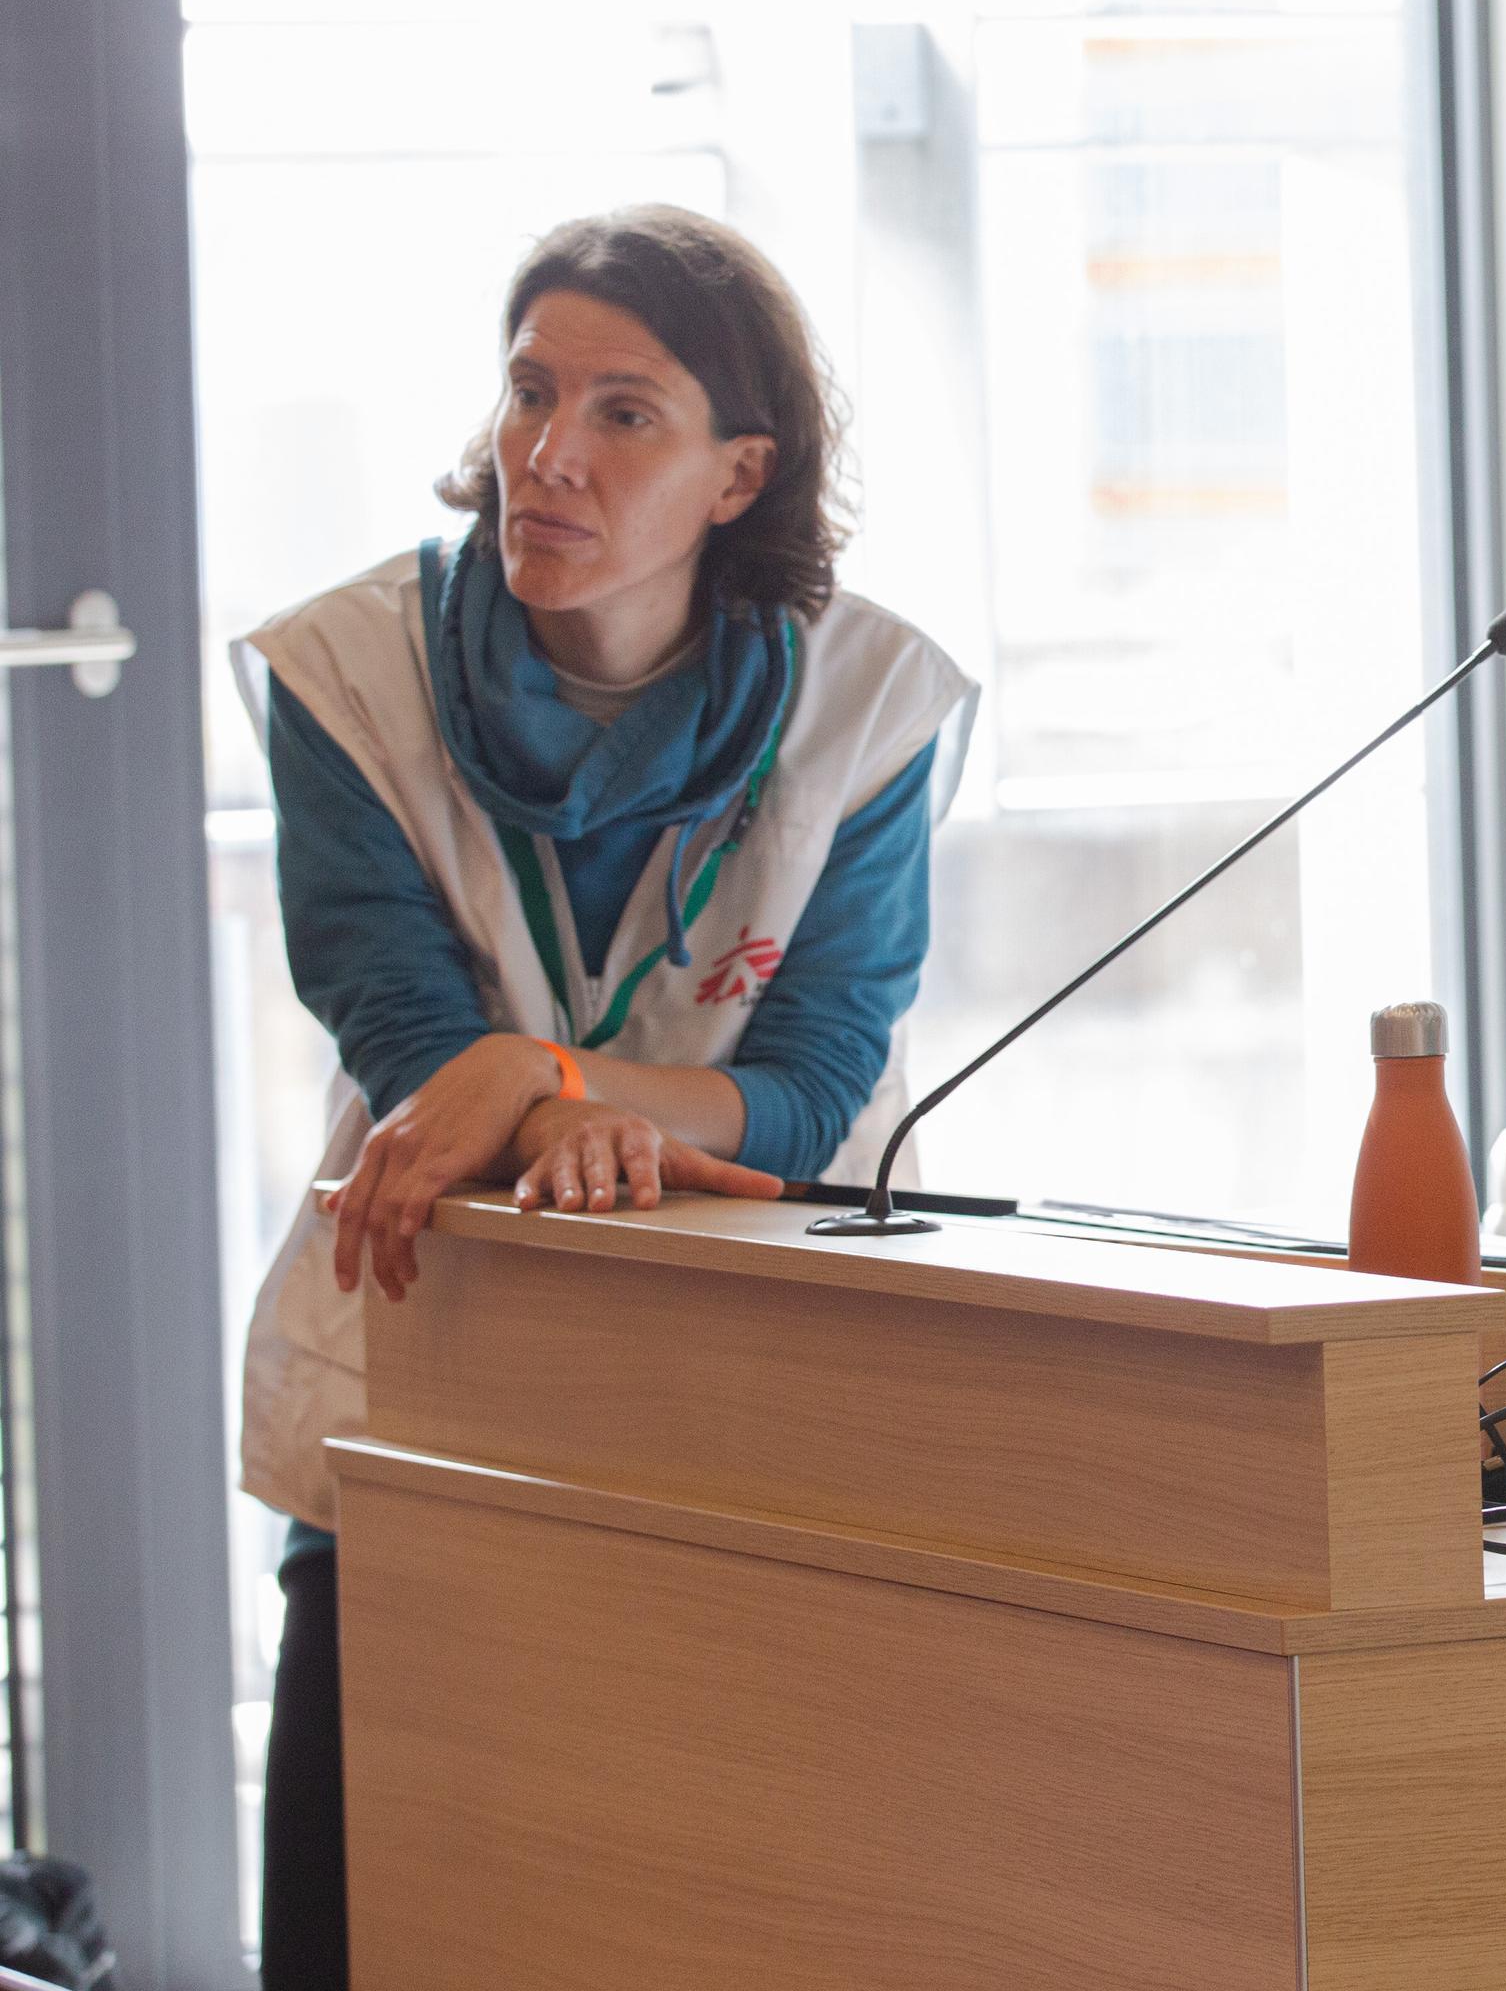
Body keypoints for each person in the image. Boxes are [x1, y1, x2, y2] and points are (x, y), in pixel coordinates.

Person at [235, 207, 975, 1990]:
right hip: (437, 1331)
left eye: (624, 413)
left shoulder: (866, 700)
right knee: (369, 1908)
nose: (546, 458)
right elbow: (401, 1021)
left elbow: (810, 1089)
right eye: (529, 391)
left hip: (770, 1365)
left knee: (723, 1910)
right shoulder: (346, 670)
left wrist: (546, 1077)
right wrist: (531, 1096)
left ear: (740, 473)